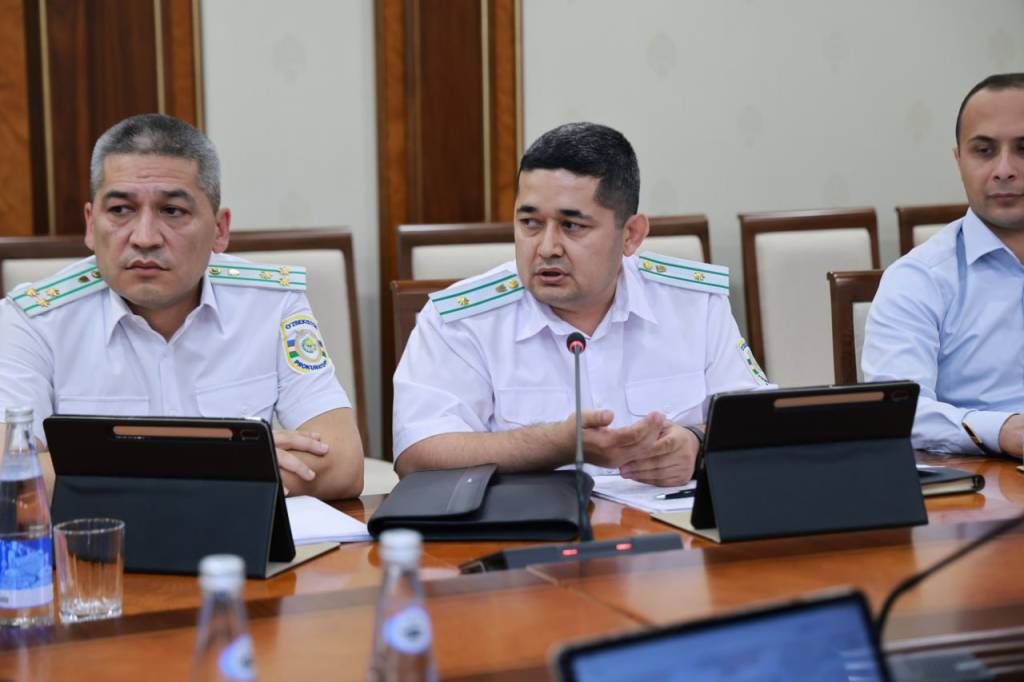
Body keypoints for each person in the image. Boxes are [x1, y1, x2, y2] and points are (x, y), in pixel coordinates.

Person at [0, 113, 364, 499]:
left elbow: (341, 462)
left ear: (220, 229)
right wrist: (224, 462)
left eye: (172, 211)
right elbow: (11, 479)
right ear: (91, 225)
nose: (144, 237)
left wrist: (112, 469)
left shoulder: (272, 303)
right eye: (120, 210)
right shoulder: (32, 320)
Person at [392, 122, 769, 486]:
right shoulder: (462, 320)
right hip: (531, 526)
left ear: (631, 235)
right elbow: (418, 454)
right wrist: (558, 444)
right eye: (530, 223)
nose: (547, 247)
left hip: (669, 526)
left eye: (572, 226)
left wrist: (697, 442)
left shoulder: (694, 303)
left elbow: (760, 423)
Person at [863, 73, 1024, 455]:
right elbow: (900, 412)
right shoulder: (918, 279)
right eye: (984, 150)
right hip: (984, 479)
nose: (1004, 169)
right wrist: (1004, 431)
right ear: (959, 160)